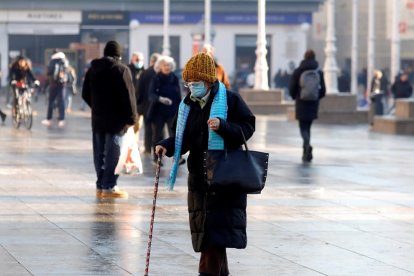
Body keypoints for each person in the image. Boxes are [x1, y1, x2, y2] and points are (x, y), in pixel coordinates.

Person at [155, 53, 255, 276]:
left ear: (209, 81)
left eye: (196, 82)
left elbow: (247, 127)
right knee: (211, 237)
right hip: (200, 180)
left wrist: (223, 126)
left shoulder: (230, 100)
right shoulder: (187, 106)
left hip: (224, 178)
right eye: (188, 82)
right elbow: (183, 137)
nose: (192, 86)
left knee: (212, 236)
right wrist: (166, 145)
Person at [82, 40, 137, 198]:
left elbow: (85, 93)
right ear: (119, 54)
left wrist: (97, 106)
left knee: (99, 153)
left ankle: (100, 185)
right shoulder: (121, 69)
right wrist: (131, 118)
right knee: (114, 154)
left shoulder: (93, 69)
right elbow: (129, 96)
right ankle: (109, 186)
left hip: (98, 119)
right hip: (117, 121)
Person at [289, 49, 326, 163]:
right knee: (308, 126)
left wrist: (295, 96)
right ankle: (306, 146)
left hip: (301, 101)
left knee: (302, 126)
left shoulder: (298, 71)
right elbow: (323, 90)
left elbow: (292, 87)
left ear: (304, 57)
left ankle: (306, 145)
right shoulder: (319, 71)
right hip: (313, 102)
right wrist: (316, 97)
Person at [146, 55, 181, 165]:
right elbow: (151, 94)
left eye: (169, 65)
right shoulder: (156, 78)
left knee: (174, 135)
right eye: (165, 65)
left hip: (172, 111)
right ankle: (157, 158)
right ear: (160, 66)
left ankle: (177, 157)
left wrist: (180, 108)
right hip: (158, 112)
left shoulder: (174, 78)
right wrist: (160, 99)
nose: (167, 67)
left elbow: (178, 95)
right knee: (158, 135)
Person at [137, 53, 160, 154]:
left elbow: (139, 90)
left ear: (151, 61)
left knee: (148, 128)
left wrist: (139, 105)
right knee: (159, 129)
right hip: (158, 105)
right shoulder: (160, 73)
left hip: (146, 105)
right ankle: (157, 149)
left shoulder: (144, 73)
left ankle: (147, 148)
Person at [42, 51, 68, 128]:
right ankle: (61, 120)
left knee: (51, 101)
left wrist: (45, 87)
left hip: (53, 85)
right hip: (62, 85)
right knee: (61, 102)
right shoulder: (65, 61)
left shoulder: (53, 61)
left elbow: (49, 75)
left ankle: (49, 119)